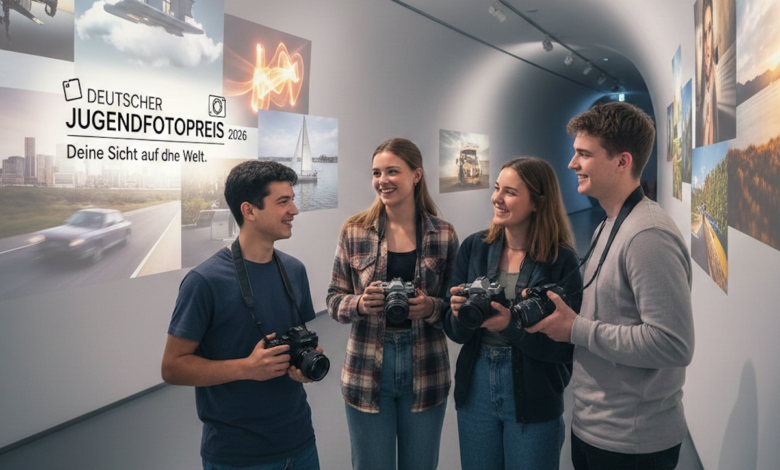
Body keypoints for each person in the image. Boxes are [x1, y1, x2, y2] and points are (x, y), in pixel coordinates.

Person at [527, 102, 694, 469]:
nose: (572, 164)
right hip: (595, 425)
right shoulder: (610, 222)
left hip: (633, 442)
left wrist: (576, 329)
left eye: (584, 154)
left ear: (622, 161)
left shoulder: (648, 235)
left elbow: (673, 344)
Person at [161, 160, 323, 470]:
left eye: (293, 200)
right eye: (283, 202)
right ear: (249, 211)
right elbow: (172, 368)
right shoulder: (204, 282)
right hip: (238, 455)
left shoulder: (294, 271)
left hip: (300, 440)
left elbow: (297, 344)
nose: (294, 210)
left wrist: (304, 362)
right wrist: (246, 368)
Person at [326, 137, 458, 470]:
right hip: (366, 367)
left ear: (416, 175)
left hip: (426, 365)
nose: (382, 180)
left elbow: (455, 307)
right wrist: (358, 304)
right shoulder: (354, 231)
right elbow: (333, 299)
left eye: (392, 171)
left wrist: (430, 308)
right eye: (376, 172)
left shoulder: (443, 234)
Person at [444, 157, 582, 470]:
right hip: (475, 387)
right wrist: (459, 314)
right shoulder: (474, 247)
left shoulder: (562, 260)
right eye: (496, 189)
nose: (497, 198)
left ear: (537, 203)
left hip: (535, 391)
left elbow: (567, 346)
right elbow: (454, 331)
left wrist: (511, 326)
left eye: (510, 192)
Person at [699, 0, 718, 146]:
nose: (707, 43)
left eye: (710, 29)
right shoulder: (701, 102)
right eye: (705, 33)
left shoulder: (716, 91)